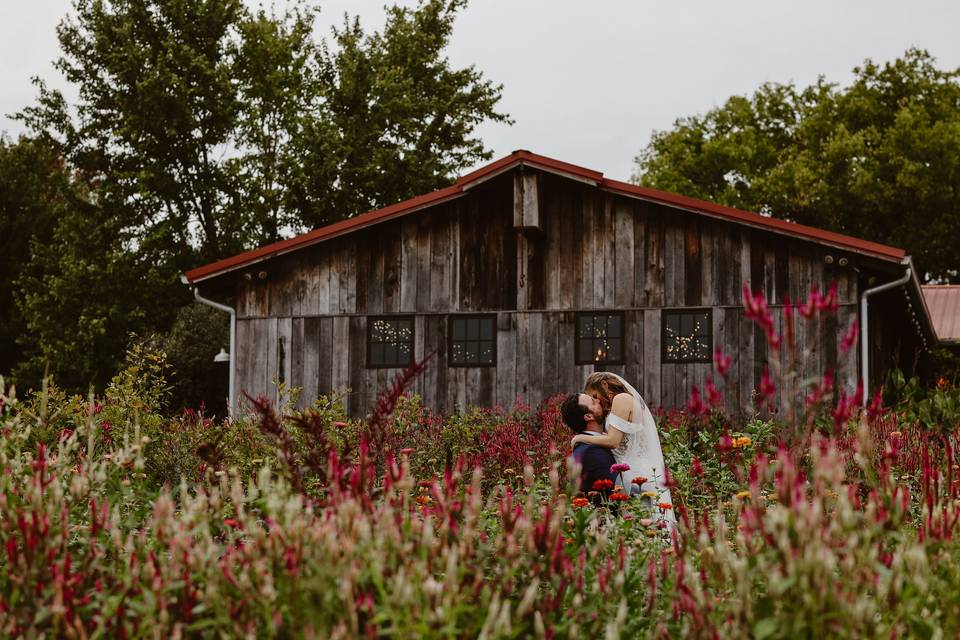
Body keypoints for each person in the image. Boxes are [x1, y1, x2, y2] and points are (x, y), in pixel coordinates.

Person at [569, 372, 676, 530]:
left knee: (648, 526)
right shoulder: (614, 406)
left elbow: (613, 441)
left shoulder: (622, 399)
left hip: (637, 472)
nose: (597, 400)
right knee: (636, 527)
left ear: (604, 385)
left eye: (594, 395)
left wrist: (580, 438)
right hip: (626, 472)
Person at [560, 393, 617, 503]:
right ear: (589, 416)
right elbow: (620, 487)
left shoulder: (590, 445)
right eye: (593, 402)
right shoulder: (591, 451)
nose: (599, 400)